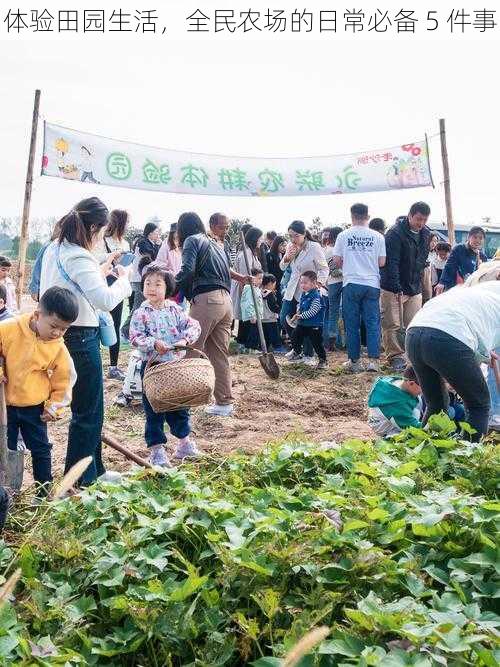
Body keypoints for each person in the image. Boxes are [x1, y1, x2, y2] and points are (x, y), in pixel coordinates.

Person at [40, 197, 132, 486]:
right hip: (80, 337)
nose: (102, 236)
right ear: (93, 226)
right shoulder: (78, 256)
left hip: (65, 336)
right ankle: (79, 481)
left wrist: (101, 269)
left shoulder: (55, 249)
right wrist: (125, 281)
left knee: (90, 408)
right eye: (102, 231)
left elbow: (71, 287)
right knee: (88, 411)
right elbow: (104, 300)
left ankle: (95, 471)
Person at [0, 287, 78, 497]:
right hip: (4, 406)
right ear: (37, 315)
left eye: (64, 329)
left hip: (34, 409)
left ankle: (43, 493)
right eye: (54, 326)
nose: (57, 333)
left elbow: (65, 379)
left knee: (41, 449)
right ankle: (5, 492)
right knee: (4, 450)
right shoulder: (8, 329)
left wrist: (54, 407)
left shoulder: (58, 348)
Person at [175, 212, 250, 418]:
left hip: (207, 300)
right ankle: (224, 402)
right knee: (218, 354)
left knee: (191, 350)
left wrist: (170, 284)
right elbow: (227, 270)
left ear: (182, 229)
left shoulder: (192, 240)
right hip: (226, 302)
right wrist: (242, 277)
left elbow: (188, 270)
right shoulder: (214, 242)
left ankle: (183, 402)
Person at [129, 258, 202, 467]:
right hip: (152, 368)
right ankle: (157, 450)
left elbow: (194, 326)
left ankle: (184, 443)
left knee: (179, 405)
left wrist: (183, 340)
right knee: (154, 409)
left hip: (174, 368)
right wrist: (153, 343)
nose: (151, 288)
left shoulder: (175, 309)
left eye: (157, 283)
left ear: (167, 287)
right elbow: (134, 336)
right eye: (147, 283)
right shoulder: (141, 312)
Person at [406, 281, 500, 439]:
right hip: (450, 335)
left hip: (415, 333)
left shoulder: (480, 292)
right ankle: (468, 459)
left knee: (436, 404)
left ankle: (424, 452)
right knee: (479, 404)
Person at [332, 204, 386, 373]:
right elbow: (382, 262)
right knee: (372, 323)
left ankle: (355, 361)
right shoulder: (378, 236)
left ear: (352, 216)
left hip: (351, 283)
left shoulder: (343, 235)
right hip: (371, 284)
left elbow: (337, 260)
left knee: (352, 323)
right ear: (367, 216)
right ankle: (374, 361)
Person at [380, 203, 431, 371]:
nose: (421, 223)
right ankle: (395, 356)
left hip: (414, 285)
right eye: (418, 219)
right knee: (393, 323)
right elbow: (391, 262)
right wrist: (395, 286)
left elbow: (422, 258)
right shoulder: (395, 233)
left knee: (413, 323)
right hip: (393, 286)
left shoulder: (425, 234)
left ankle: (411, 355)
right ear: (409, 216)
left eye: (424, 220)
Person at [280, 220, 328, 360]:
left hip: (308, 290)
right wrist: (287, 257)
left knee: (307, 322)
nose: (293, 239)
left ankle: (308, 354)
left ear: (303, 234)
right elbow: (282, 267)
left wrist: (318, 283)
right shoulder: (290, 246)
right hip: (292, 288)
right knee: (284, 318)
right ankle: (297, 349)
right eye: (290, 236)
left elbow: (324, 268)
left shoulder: (314, 247)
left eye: (295, 236)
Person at [96, 209, 131, 381]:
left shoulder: (125, 243)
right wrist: (112, 256)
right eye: (127, 222)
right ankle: (96, 363)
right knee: (97, 324)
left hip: (118, 285)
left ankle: (113, 366)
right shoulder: (103, 240)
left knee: (114, 325)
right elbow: (96, 258)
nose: (128, 226)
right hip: (102, 285)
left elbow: (128, 266)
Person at [122, 221, 162, 339]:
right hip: (140, 279)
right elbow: (152, 257)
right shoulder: (143, 242)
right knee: (138, 306)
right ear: (149, 233)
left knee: (142, 305)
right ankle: (125, 330)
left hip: (143, 278)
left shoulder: (147, 242)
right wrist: (157, 246)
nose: (158, 235)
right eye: (156, 232)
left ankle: (135, 330)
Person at [285, 271, 327, 369]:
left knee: (317, 344)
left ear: (313, 283)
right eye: (301, 282)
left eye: (305, 283)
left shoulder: (316, 296)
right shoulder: (304, 294)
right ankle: (297, 352)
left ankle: (323, 360)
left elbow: (313, 311)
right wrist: (298, 311)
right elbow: (300, 304)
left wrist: (301, 316)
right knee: (295, 335)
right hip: (303, 324)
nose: (302, 285)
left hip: (314, 325)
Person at [367, 366, 422, 437]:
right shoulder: (396, 402)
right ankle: (388, 438)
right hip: (385, 428)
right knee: (406, 437)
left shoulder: (397, 383)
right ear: (411, 383)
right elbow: (411, 427)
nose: (423, 391)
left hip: (392, 417)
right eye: (423, 388)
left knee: (420, 400)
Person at [231, 227, 263, 348]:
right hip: (245, 289)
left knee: (248, 315)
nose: (262, 240)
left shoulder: (252, 252)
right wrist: (246, 293)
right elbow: (245, 277)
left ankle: (243, 341)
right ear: (255, 239)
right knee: (248, 315)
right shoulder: (246, 254)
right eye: (260, 238)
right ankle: (245, 343)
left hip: (251, 289)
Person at [435, 226, 488, 294]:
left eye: (481, 238)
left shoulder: (483, 257)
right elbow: (449, 266)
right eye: (475, 237)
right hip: (455, 289)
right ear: (468, 237)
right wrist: (442, 282)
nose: (477, 240)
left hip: (472, 291)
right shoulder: (459, 249)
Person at [322, 226, 344, 351]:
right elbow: (335, 271)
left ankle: (331, 341)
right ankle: (340, 342)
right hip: (343, 282)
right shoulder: (339, 249)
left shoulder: (326, 250)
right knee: (344, 312)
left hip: (331, 283)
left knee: (333, 313)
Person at [239, 268, 264, 352]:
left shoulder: (256, 288)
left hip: (257, 315)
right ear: (252, 278)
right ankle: (251, 348)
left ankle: (250, 348)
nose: (261, 280)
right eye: (259, 278)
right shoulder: (249, 288)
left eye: (261, 278)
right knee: (253, 333)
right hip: (252, 316)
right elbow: (248, 303)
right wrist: (251, 315)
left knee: (255, 332)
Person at [261, 273, 284, 352]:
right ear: (270, 283)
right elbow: (273, 306)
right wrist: (279, 310)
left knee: (265, 335)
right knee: (274, 334)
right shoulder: (269, 294)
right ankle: (278, 347)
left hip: (262, 318)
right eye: (274, 284)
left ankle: (265, 348)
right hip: (271, 318)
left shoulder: (259, 292)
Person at [266, 235, 286, 300]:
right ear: (276, 244)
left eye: (285, 245)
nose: (284, 248)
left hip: (283, 283)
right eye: (282, 245)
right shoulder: (270, 255)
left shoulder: (284, 255)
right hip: (274, 284)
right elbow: (270, 271)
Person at [422, 233, 439, 304]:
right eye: (432, 241)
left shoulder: (437, 253)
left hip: (434, 282)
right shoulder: (422, 252)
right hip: (424, 282)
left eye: (435, 241)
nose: (434, 243)